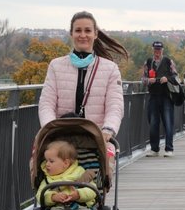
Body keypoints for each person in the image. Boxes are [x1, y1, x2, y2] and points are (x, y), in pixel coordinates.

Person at [38, 11, 128, 152]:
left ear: (95, 34)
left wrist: (108, 130)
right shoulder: (56, 66)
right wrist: (51, 128)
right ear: (71, 34)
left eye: (87, 31)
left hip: (97, 141)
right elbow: (46, 103)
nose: (83, 35)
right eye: (78, 30)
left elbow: (115, 106)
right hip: (61, 140)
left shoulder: (110, 69)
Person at [36, 139, 98, 210]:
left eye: (51, 161)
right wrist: (52, 196)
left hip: (80, 207)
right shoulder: (48, 179)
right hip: (58, 208)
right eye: (46, 161)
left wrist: (78, 194)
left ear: (65, 163)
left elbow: (92, 191)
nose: (47, 165)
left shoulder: (80, 173)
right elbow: (40, 195)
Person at [142, 41, 177, 157]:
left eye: (159, 50)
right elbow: (143, 78)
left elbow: (175, 76)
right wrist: (148, 80)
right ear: (153, 50)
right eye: (155, 50)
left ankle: (169, 148)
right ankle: (154, 149)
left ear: (162, 50)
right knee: (153, 123)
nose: (157, 52)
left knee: (168, 122)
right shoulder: (148, 62)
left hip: (166, 96)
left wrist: (166, 78)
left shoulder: (168, 61)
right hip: (153, 96)